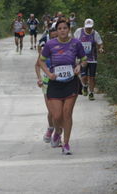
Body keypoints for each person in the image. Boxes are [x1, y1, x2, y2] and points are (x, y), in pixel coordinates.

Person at [39, 20, 87, 155]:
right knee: (56, 115)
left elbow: (84, 59)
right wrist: (48, 74)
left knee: (67, 114)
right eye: (59, 28)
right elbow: (41, 61)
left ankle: (66, 144)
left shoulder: (76, 43)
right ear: (57, 30)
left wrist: (79, 66)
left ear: (69, 29)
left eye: (65, 28)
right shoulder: (50, 44)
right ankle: (57, 131)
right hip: (55, 83)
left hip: (71, 82)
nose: (62, 30)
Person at [35, 23, 62, 143]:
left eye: (57, 36)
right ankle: (51, 128)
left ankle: (58, 135)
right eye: (53, 37)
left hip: (63, 82)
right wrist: (39, 78)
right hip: (47, 83)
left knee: (61, 112)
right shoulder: (46, 50)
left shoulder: (65, 48)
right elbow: (37, 65)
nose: (55, 39)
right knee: (52, 111)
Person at [74, 18, 104, 100]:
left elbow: (100, 43)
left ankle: (91, 93)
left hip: (93, 58)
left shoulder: (95, 34)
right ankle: (84, 86)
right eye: (87, 27)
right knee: (83, 77)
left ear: (92, 26)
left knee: (92, 77)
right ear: (84, 26)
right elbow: (74, 42)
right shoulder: (79, 31)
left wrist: (101, 48)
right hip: (82, 59)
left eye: (90, 27)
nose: (88, 28)